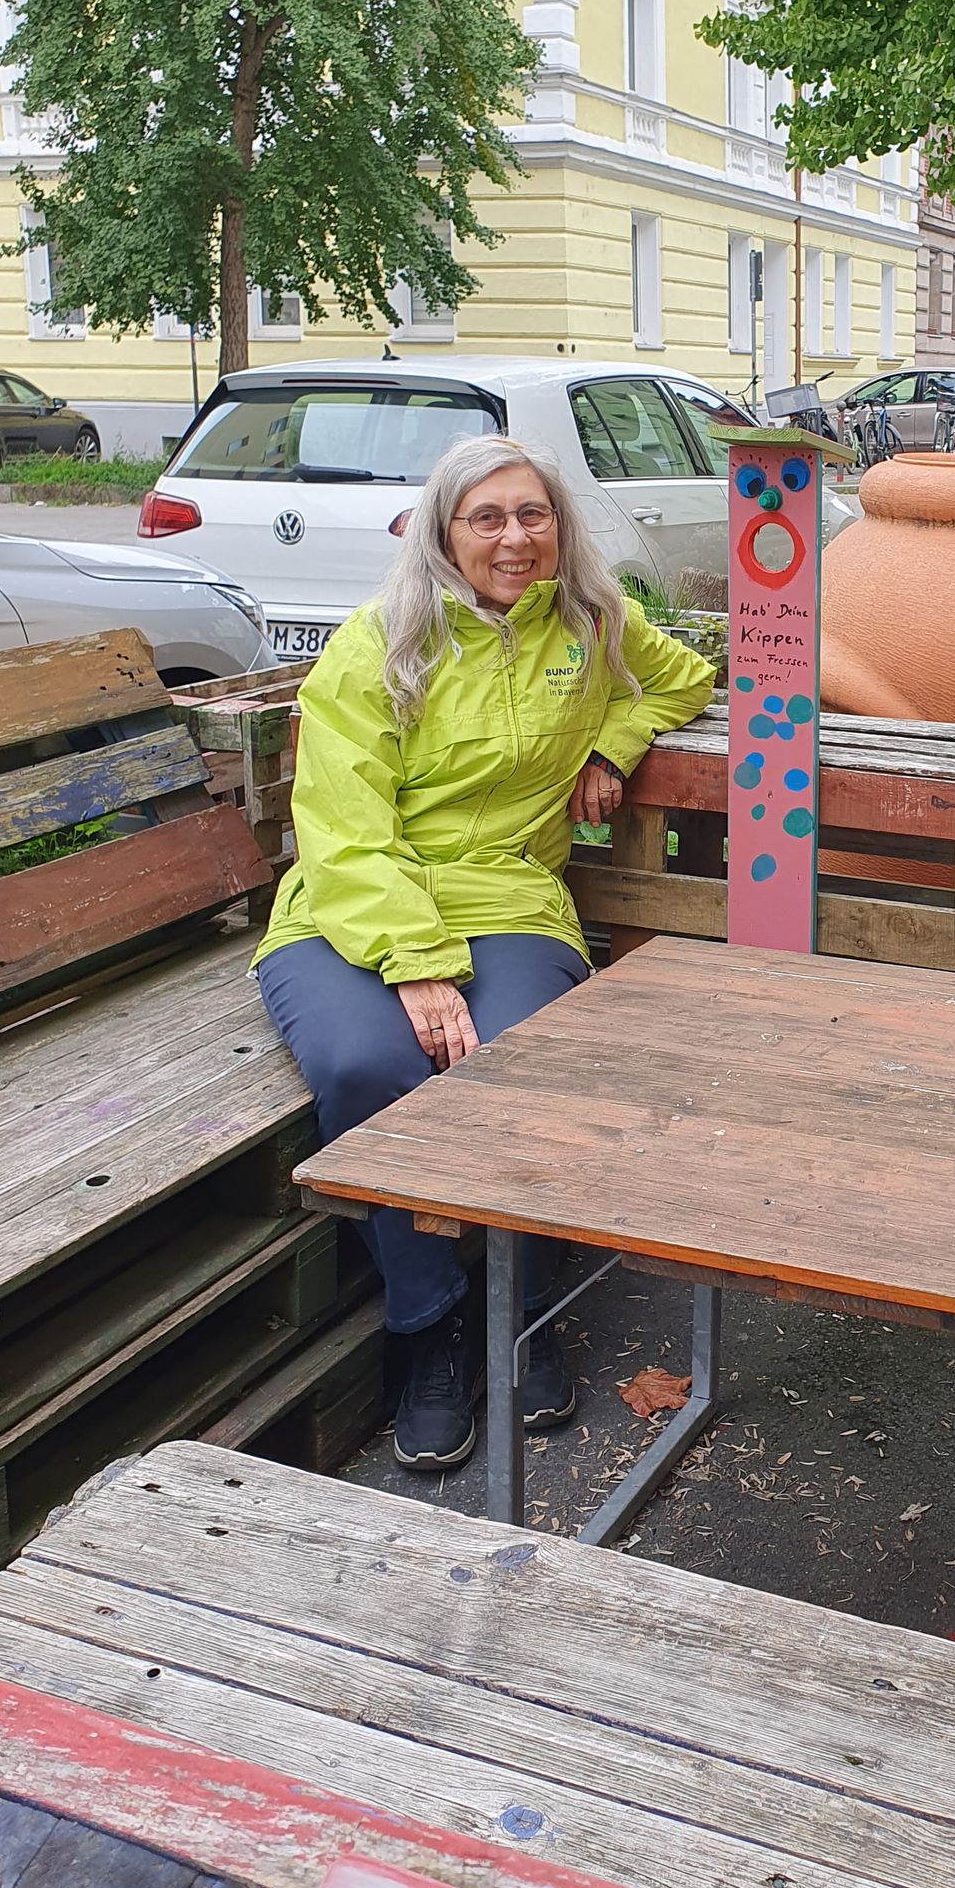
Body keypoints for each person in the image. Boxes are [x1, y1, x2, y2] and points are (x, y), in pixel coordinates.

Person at [255, 434, 714, 1470]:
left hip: (507, 893)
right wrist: (413, 960)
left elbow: (682, 681)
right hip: (353, 902)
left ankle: (528, 1306)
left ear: (559, 526)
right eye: (487, 518)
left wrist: (614, 743)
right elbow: (343, 823)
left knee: (520, 1059)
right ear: (443, 533)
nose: (514, 538)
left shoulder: (594, 624)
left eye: (532, 514)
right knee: (367, 1064)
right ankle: (430, 1328)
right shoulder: (380, 642)